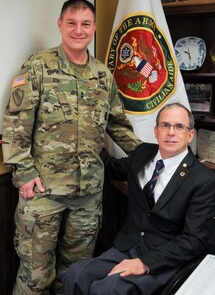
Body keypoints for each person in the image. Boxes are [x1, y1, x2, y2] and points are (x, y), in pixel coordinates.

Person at [2, 0, 141, 294]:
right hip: (44, 192)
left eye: (85, 24)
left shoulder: (103, 75)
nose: (79, 30)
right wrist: (23, 173)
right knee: (35, 278)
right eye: (72, 23)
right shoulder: (39, 67)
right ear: (60, 25)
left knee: (76, 274)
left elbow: (117, 124)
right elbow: (15, 123)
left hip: (88, 195)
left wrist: (148, 155)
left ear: (94, 28)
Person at [62, 102, 215, 295]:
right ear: (156, 131)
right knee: (75, 275)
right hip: (127, 246)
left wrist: (145, 263)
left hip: (165, 258)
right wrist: (86, 139)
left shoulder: (204, 179)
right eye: (165, 125)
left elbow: (193, 240)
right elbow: (111, 167)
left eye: (179, 127)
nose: (171, 132)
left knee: (108, 289)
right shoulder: (142, 154)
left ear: (190, 135)